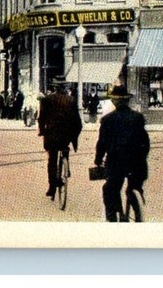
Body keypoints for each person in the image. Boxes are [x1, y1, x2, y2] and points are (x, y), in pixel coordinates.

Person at [94, 84, 150, 222]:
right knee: (134, 185)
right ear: (127, 101)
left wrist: (98, 159)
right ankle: (135, 196)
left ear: (114, 101)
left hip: (116, 162)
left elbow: (102, 143)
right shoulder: (138, 118)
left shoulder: (107, 120)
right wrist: (141, 157)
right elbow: (145, 142)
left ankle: (113, 217)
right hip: (136, 163)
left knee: (110, 189)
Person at [37, 77, 83, 199]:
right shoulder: (71, 100)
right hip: (65, 135)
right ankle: (66, 163)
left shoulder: (47, 99)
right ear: (65, 87)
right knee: (64, 147)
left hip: (51, 135)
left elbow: (41, 118)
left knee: (52, 159)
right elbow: (77, 122)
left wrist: (41, 131)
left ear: (55, 87)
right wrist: (74, 136)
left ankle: (52, 187)